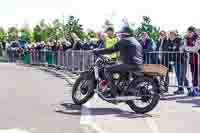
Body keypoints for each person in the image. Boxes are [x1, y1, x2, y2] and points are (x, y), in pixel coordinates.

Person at [93, 26, 143, 98]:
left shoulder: (125, 40)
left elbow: (112, 49)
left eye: (121, 34)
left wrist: (98, 51)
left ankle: (113, 93)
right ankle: (121, 89)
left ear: (124, 34)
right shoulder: (134, 40)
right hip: (137, 64)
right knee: (119, 69)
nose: (120, 35)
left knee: (107, 69)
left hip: (130, 64)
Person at [165, 31, 189, 95]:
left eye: (172, 35)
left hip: (182, 60)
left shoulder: (179, 40)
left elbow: (179, 50)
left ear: (175, 35)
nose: (171, 36)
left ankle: (189, 88)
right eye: (170, 35)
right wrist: (170, 60)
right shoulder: (169, 42)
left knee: (182, 75)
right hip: (175, 61)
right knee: (178, 75)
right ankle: (180, 89)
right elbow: (169, 51)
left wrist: (174, 51)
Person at [181, 26, 200, 96]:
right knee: (193, 75)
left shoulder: (197, 38)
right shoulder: (187, 38)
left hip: (198, 60)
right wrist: (184, 48)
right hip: (192, 60)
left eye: (190, 32)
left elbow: (195, 49)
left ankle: (197, 89)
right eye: (188, 32)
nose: (188, 33)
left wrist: (186, 48)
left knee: (197, 76)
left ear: (193, 32)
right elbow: (182, 48)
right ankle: (194, 89)